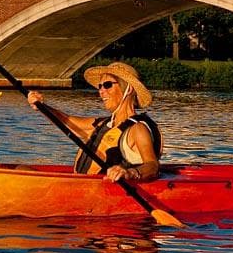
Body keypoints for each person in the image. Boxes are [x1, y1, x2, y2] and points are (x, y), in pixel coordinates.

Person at [26, 62, 161, 183]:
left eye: (107, 85)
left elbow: (152, 165)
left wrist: (130, 172)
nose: (101, 91)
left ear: (129, 89)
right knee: (22, 168)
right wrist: (42, 107)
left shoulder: (138, 129)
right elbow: (67, 121)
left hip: (106, 193)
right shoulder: (102, 124)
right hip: (81, 187)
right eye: (100, 86)